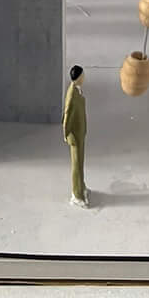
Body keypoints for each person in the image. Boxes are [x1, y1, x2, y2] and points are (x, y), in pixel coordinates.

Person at [63, 64, 89, 205]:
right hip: (74, 135)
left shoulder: (78, 90)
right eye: (82, 75)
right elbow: (67, 115)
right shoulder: (72, 94)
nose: (84, 77)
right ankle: (77, 194)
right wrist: (66, 133)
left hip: (80, 132)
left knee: (80, 162)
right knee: (76, 165)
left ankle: (81, 186)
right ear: (78, 77)